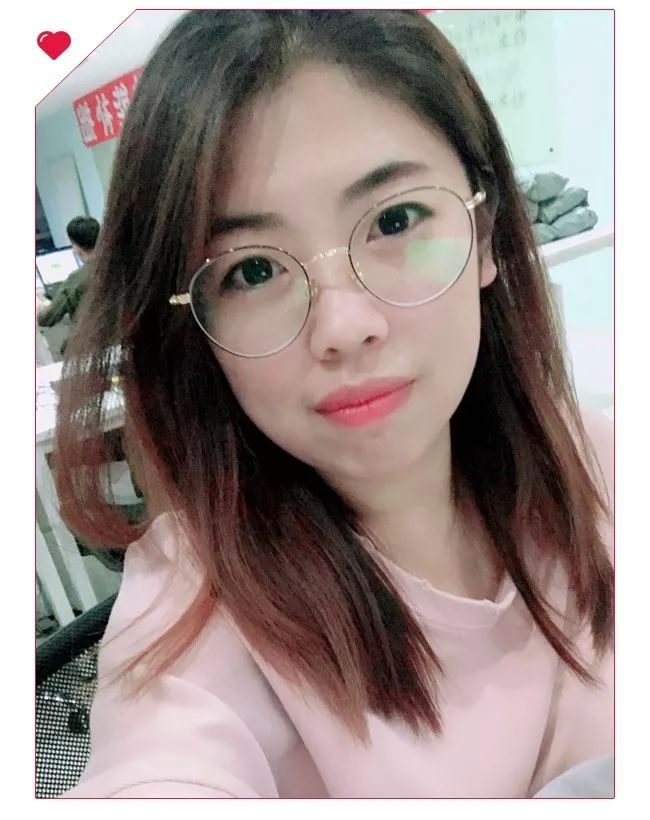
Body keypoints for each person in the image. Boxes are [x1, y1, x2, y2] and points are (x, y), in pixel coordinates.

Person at [55, 10, 613, 798]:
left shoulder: (600, 461)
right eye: (252, 271)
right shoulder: (191, 615)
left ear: (484, 234)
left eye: (394, 220)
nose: (345, 327)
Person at [37, 216, 100, 329]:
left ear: (76, 248)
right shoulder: (119, 265)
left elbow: (46, 319)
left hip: (93, 335)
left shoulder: (76, 280)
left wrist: (43, 307)